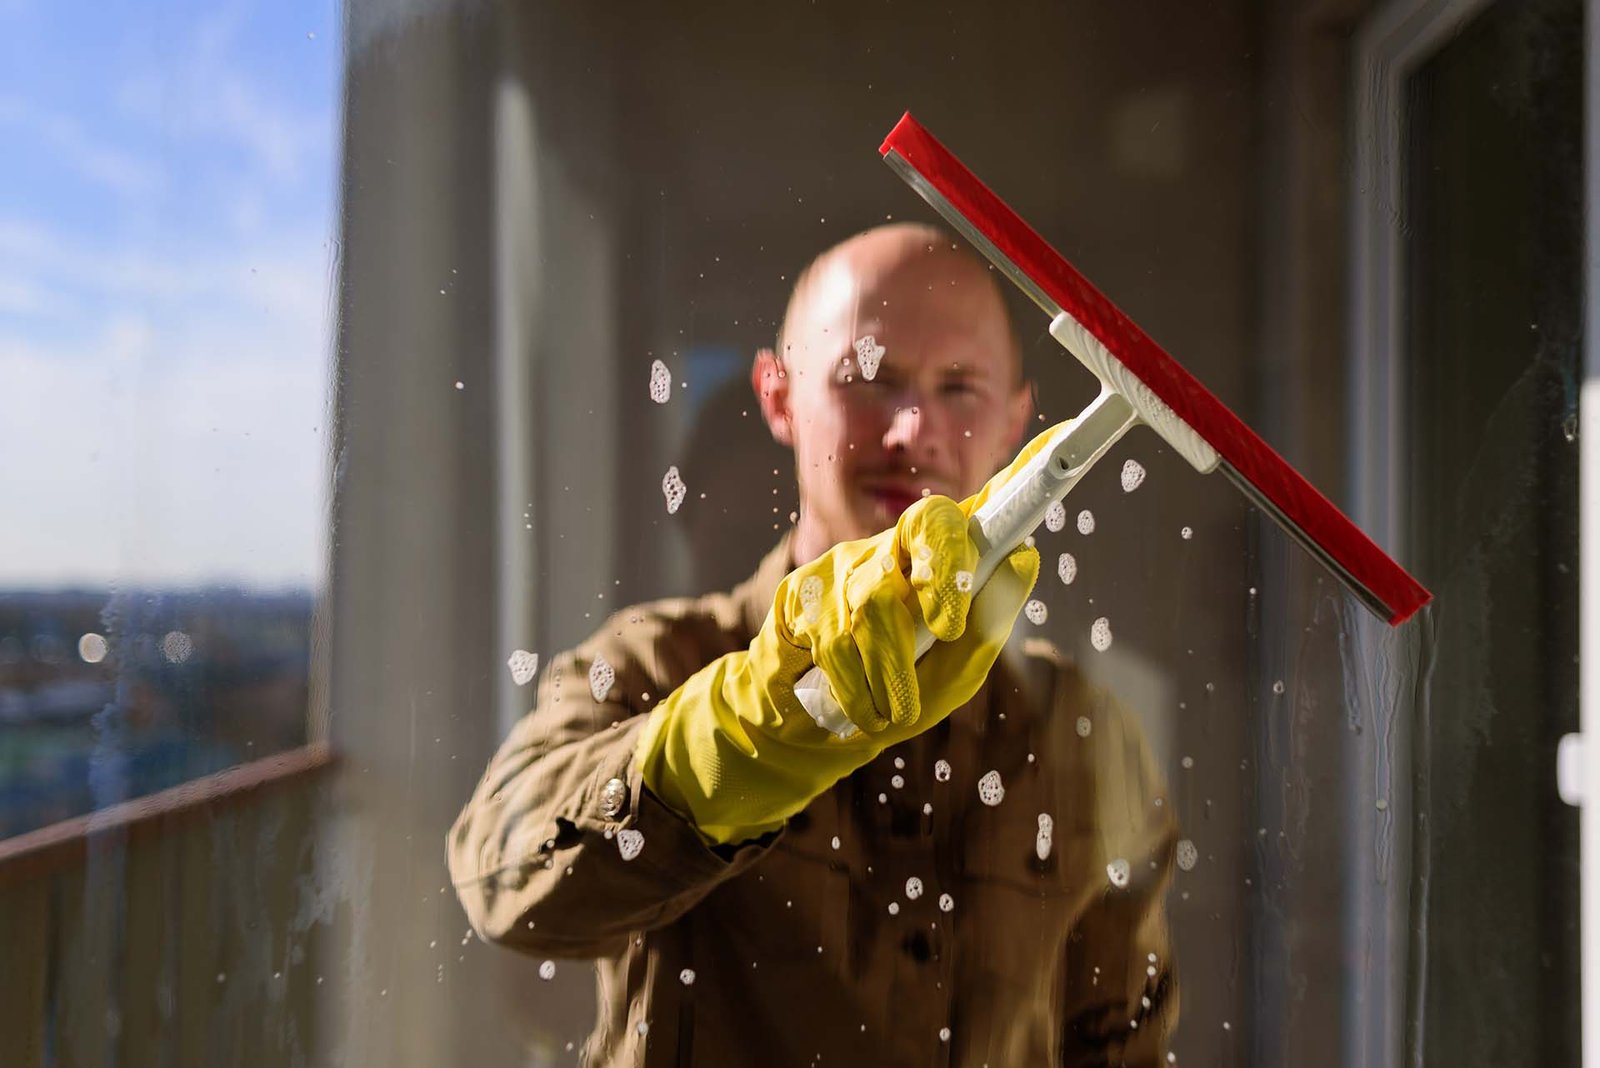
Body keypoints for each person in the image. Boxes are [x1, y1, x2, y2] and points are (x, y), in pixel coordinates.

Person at [448, 222, 1177, 1066]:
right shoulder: (656, 661)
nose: (911, 430)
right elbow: (501, 883)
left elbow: (1121, 1041)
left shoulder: (1086, 735)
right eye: (868, 376)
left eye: (959, 387)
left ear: (1017, 420)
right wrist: (750, 727)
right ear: (779, 396)